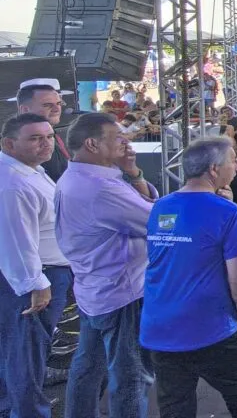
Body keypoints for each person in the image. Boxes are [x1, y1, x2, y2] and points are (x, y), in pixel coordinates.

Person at [141, 137, 237, 418]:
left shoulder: (160, 207)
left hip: (160, 326)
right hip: (211, 329)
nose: (236, 166)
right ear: (214, 169)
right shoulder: (227, 213)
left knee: (175, 408)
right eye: (232, 160)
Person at [55, 113, 157, 418]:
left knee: (89, 367)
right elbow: (155, 221)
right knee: (132, 376)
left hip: (95, 289)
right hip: (121, 291)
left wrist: (133, 173)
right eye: (116, 137)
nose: (125, 142)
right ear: (92, 144)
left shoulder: (78, 177)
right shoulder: (102, 188)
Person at [0, 113, 70, 418]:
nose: (46, 144)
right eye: (35, 138)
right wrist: (36, 284)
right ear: (9, 143)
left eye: (49, 136)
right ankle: (29, 412)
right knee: (27, 354)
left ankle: (14, 406)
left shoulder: (29, 171)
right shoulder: (13, 183)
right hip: (35, 278)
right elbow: (16, 240)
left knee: (18, 351)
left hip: (40, 274)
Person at [14, 79, 72, 181]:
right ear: (25, 110)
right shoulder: (17, 144)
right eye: (47, 105)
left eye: (58, 103)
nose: (56, 109)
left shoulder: (53, 134)